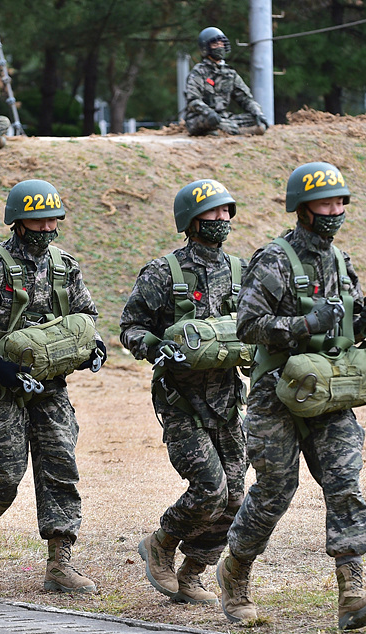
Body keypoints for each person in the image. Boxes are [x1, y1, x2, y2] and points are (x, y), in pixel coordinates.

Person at [217, 162, 366, 630]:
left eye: (340, 202)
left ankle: (352, 591)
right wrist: (304, 325)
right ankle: (234, 573)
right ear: (303, 209)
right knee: (276, 490)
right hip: (276, 396)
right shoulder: (273, 260)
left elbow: (347, 328)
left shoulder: (340, 261)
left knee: (344, 483)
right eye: (325, 203)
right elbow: (248, 326)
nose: (335, 211)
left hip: (326, 393)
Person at [0, 179, 104, 593]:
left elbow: (86, 316)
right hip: (4, 389)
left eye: (54, 220)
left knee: (61, 470)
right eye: (38, 221)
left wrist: (95, 348)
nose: (48, 228)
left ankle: (60, 562)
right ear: (18, 223)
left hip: (51, 388)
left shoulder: (65, 266)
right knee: (5, 474)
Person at [120, 180, 248, 605]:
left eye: (227, 212)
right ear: (191, 221)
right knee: (209, 487)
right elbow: (131, 327)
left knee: (234, 494)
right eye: (213, 213)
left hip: (227, 399)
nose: (222, 220)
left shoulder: (239, 271)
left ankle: (193, 571)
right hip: (181, 402)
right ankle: (162, 541)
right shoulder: (163, 272)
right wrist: (154, 346)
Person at [184, 27, 269, 137]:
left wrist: (258, 113)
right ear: (206, 48)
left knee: (254, 118)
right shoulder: (199, 72)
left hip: (224, 117)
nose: (219, 47)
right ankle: (236, 131)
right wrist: (209, 113)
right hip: (202, 118)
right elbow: (193, 100)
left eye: (221, 44)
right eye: (215, 45)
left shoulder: (230, 73)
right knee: (211, 121)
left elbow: (246, 99)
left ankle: (227, 130)